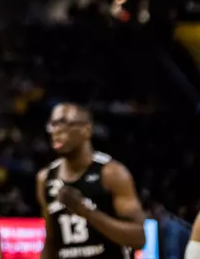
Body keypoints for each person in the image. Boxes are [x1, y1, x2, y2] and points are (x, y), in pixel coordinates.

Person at [36, 103, 145, 259]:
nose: (56, 130)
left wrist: (86, 212)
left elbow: (138, 238)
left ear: (86, 130)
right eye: (53, 124)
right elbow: (51, 240)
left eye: (64, 123)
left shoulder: (112, 173)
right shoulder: (45, 178)